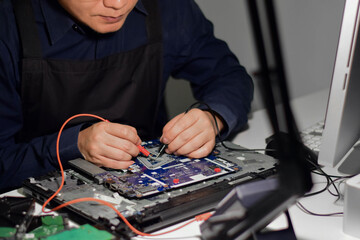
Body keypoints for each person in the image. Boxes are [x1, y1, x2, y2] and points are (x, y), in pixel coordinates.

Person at [0, 0, 253, 192]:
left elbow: (229, 76)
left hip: (150, 186)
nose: (118, 4)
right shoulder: (7, 26)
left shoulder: (168, 8)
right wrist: (72, 146)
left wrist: (213, 117)